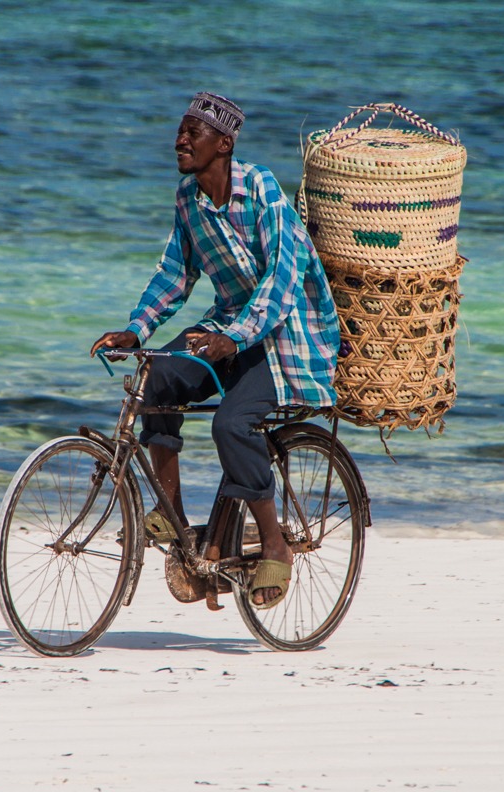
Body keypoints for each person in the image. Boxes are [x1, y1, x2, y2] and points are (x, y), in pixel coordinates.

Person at [90, 92, 340, 609]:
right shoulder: (188, 199)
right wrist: (137, 329)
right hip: (230, 325)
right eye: (180, 132)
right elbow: (175, 274)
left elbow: (282, 278)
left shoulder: (261, 189)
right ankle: (175, 521)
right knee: (159, 380)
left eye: (192, 133)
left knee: (231, 424)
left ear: (223, 143)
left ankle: (274, 543)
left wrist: (236, 338)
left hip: (288, 333)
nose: (180, 140)